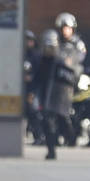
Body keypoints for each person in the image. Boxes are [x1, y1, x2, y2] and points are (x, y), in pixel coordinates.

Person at [33, 30, 76, 160]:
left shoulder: (59, 63)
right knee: (47, 124)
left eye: (51, 48)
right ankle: (51, 150)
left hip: (57, 98)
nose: (49, 50)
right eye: (47, 48)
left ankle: (70, 137)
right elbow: (37, 79)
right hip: (45, 97)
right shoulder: (40, 62)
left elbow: (70, 79)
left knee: (62, 120)